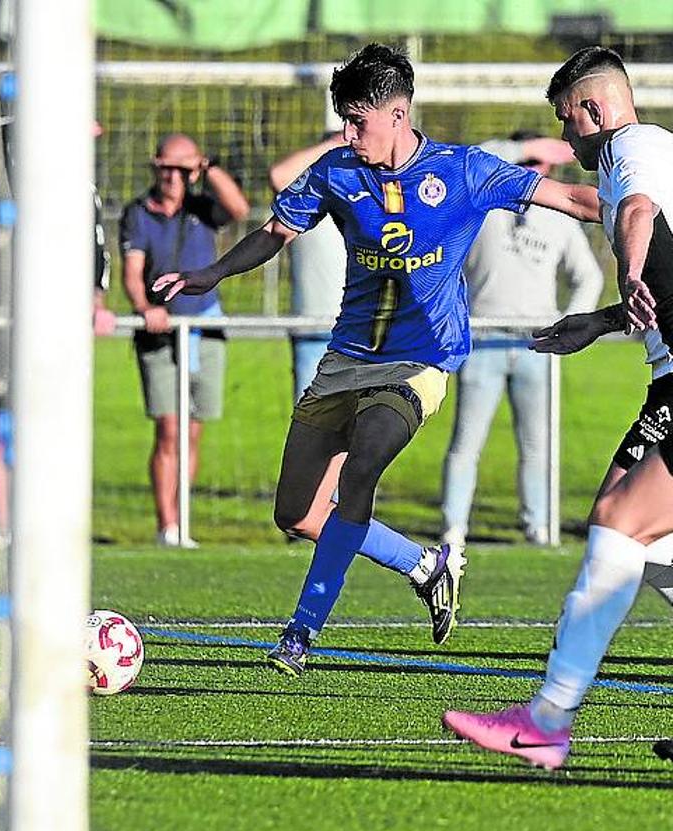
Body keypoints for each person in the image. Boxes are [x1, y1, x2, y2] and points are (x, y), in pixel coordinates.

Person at [153, 43, 601, 675]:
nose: (347, 132)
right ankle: (425, 565)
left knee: (361, 469)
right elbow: (275, 233)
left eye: (357, 120)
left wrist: (642, 212)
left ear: (398, 113)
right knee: (298, 513)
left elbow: (578, 201)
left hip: (420, 363)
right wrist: (213, 273)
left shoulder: (466, 170)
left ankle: (300, 634)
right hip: (347, 358)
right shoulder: (338, 171)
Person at [442, 46, 673, 770]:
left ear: (596, 110)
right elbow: (606, 209)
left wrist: (627, 271)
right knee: (641, 536)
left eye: (568, 119)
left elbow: (636, 211)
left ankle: (546, 720)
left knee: (619, 523)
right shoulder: (632, 159)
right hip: (669, 383)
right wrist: (602, 321)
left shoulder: (634, 149)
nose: (567, 137)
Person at [440, 132, 603, 547]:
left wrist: (568, 324)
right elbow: (473, 159)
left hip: (537, 343)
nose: (532, 172)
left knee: (538, 444)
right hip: (484, 340)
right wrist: (521, 151)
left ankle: (539, 527)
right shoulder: (482, 208)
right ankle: (453, 528)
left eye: (540, 164)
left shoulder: (560, 217)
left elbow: (589, 277)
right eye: (526, 162)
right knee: (466, 441)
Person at [0, 115, 116, 541]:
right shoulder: (19, 178)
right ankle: (6, 530)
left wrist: (96, 299)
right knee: (6, 424)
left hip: (62, 332)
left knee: (57, 428)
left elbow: (97, 249)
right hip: (13, 323)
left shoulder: (83, 189)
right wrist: (48, 106)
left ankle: (53, 525)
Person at [121, 132, 250, 547]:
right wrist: (146, 308)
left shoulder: (201, 208)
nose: (174, 177)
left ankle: (183, 519)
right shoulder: (138, 214)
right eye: (167, 168)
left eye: (183, 169)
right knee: (168, 429)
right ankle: (167, 525)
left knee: (193, 431)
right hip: (161, 333)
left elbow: (239, 208)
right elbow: (131, 272)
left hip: (204, 326)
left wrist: (207, 167)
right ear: (155, 168)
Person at [268, 132, 347, 401]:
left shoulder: (362, 198)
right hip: (313, 330)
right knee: (313, 430)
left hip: (362, 333)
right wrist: (333, 144)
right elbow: (279, 176)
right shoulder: (306, 204)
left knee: (361, 435)